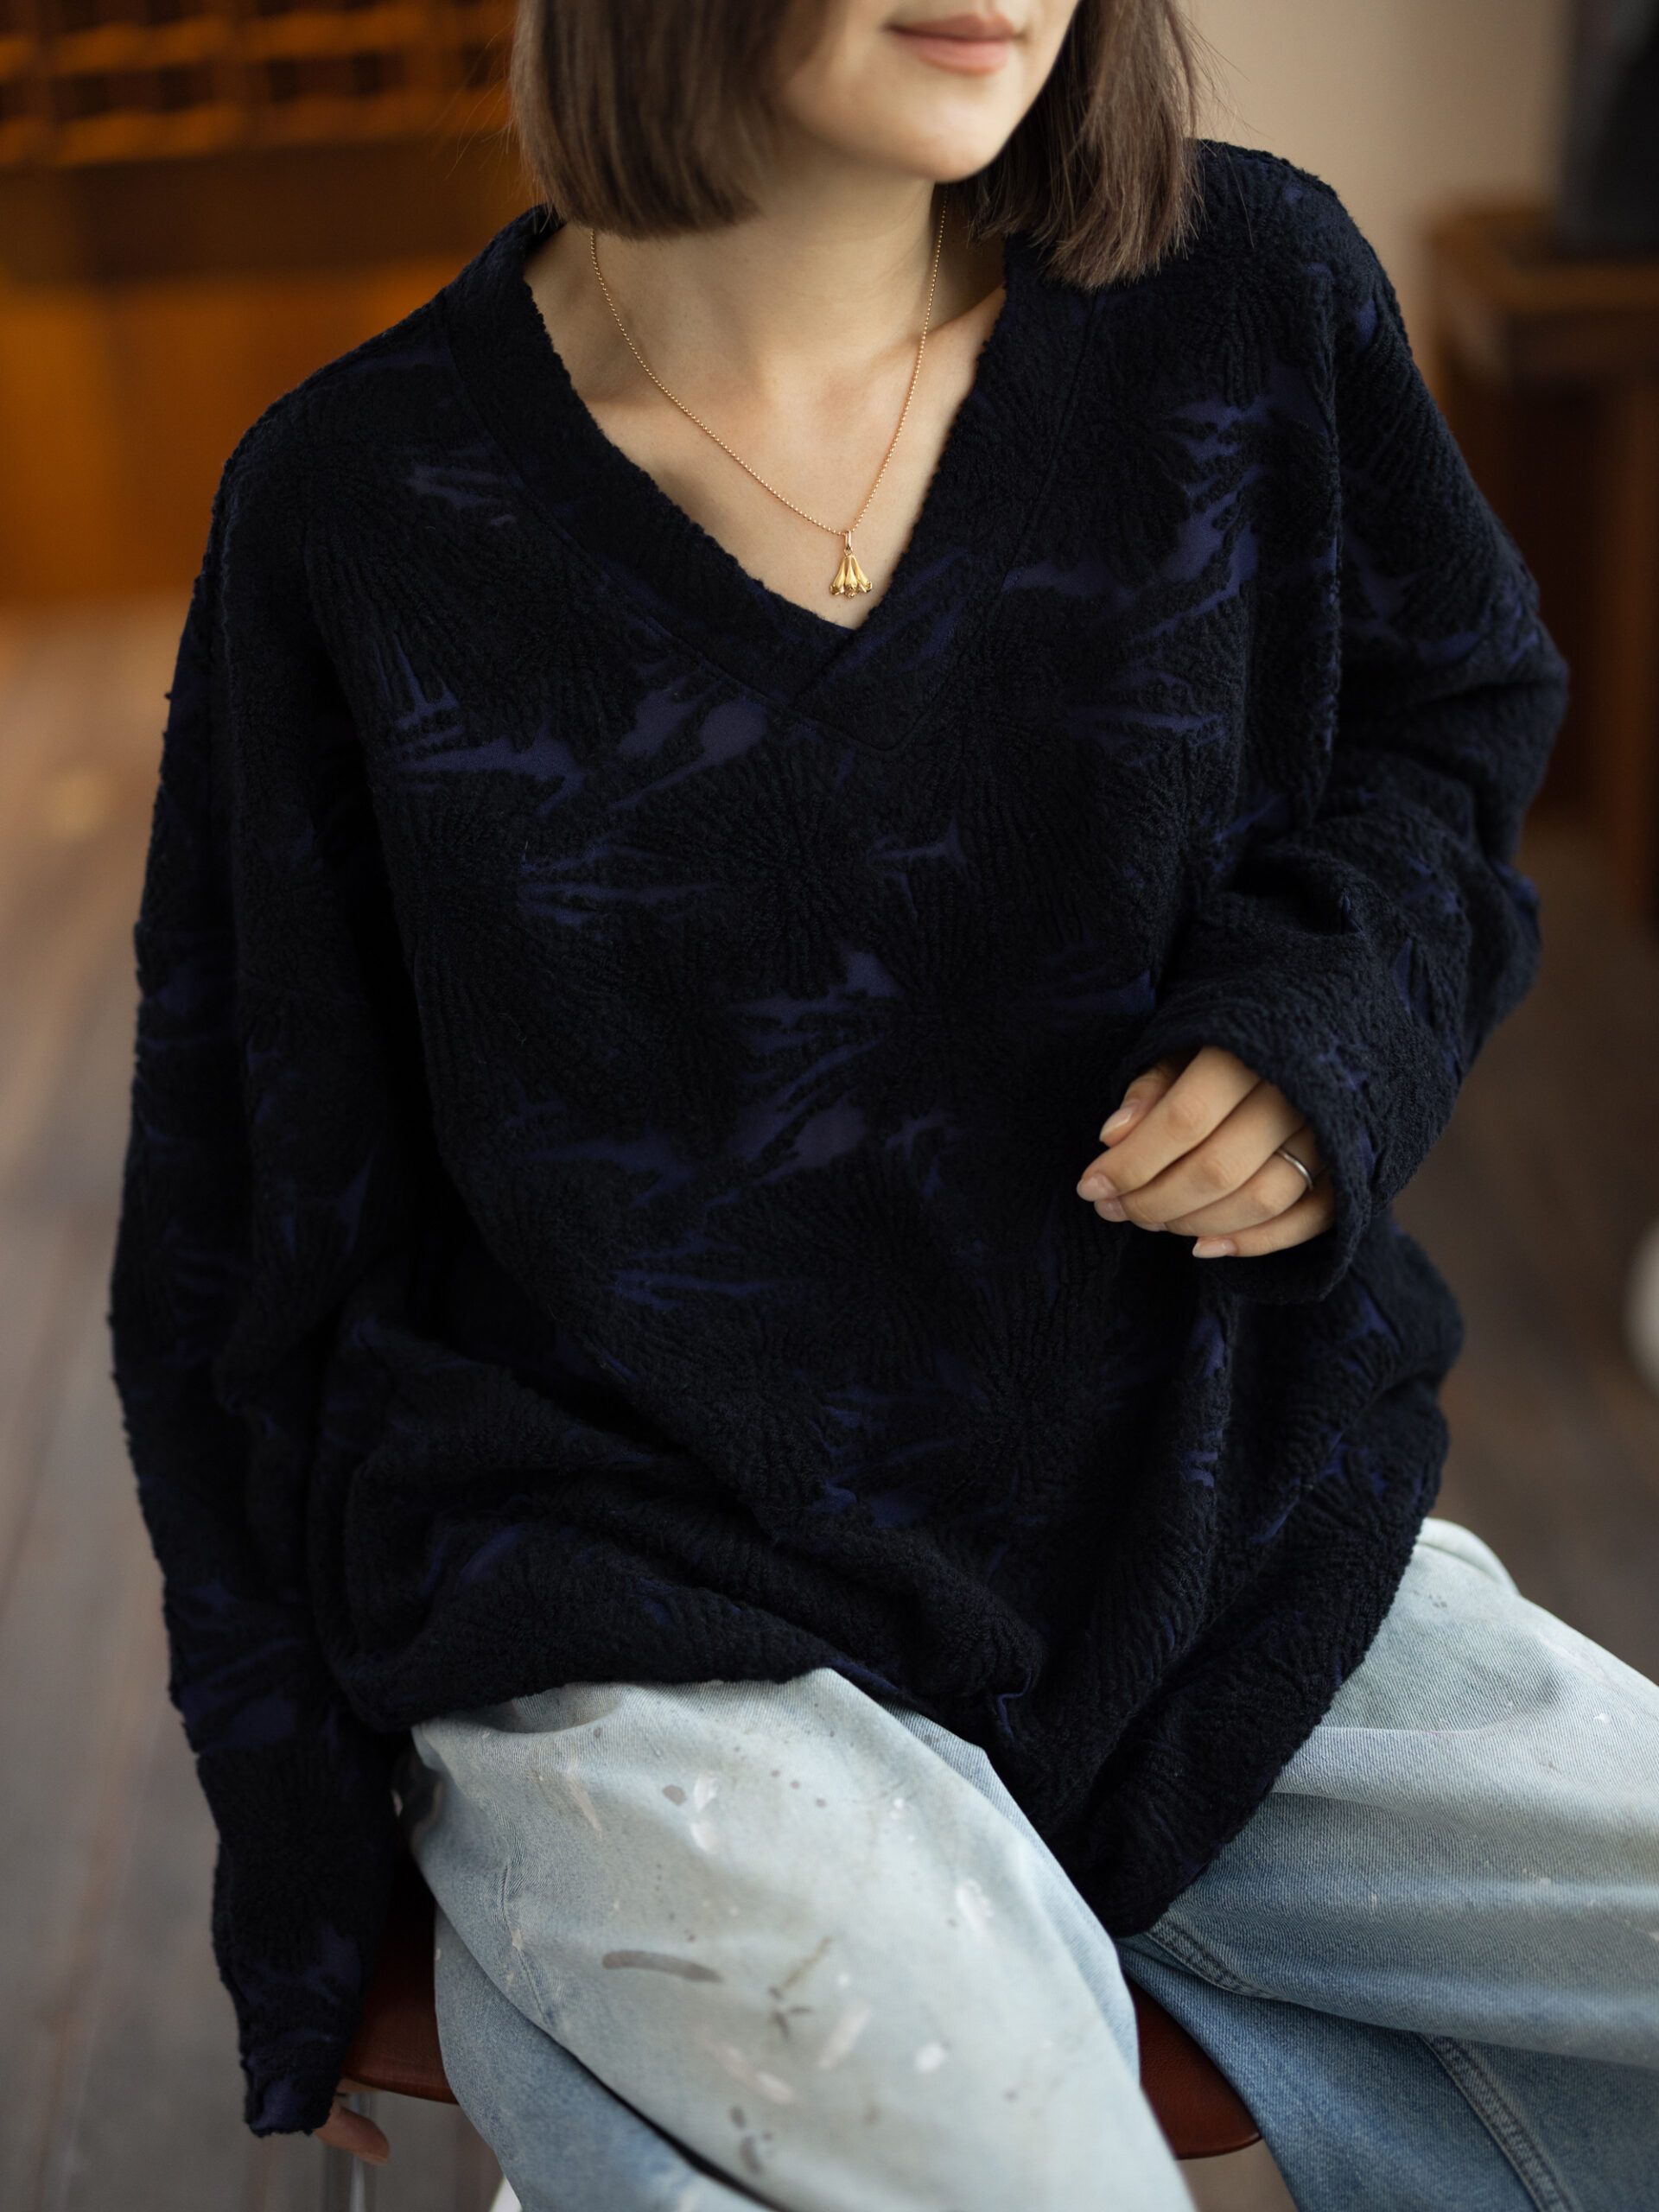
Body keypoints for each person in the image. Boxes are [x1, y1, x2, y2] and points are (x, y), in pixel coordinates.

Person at [105, 0, 1659, 2205]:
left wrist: (1330, 1024)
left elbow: (1452, 716)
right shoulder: (354, 514)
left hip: (1208, 1538)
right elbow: (241, 1244)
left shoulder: (1249, 298)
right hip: (640, 1609)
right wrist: (298, 1882)